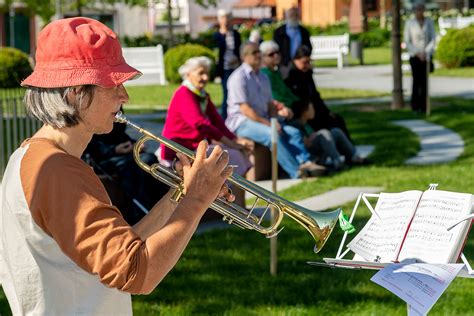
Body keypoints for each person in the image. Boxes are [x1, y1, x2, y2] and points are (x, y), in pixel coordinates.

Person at [0, 17, 234, 315]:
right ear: (75, 91)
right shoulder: (56, 170)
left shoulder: (35, 158)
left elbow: (126, 245)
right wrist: (197, 199)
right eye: (114, 84)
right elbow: (138, 272)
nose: (125, 96)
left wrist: (181, 194)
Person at [161, 56, 252, 207]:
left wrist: (236, 140)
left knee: (236, 153)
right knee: (230, 155)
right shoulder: (184, 93)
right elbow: (201, 124)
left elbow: (217, 121)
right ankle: (231, 204)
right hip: (180, 150)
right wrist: (231, 143)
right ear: (188, 74)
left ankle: (235, 204)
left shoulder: (202, 95)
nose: (205, 77)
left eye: (206, 73)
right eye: (200, 73)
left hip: (195, 146)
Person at [225, 42, 326, 179]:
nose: (258, 55)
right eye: (254, 53)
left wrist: (274, 120)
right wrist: (269, 124)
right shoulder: (238, 78)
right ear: (244, 57)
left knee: (293, 132)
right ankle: (296, 172)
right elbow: (245, 110)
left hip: (261, 119)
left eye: (258, 52)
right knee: (272, 134)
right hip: (242, 122)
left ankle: (306, 162)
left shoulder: (263, 77)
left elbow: (270, 105)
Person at [84, 110, 169, 225]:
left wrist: (134, 144)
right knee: (130, 165)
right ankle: (139, 213)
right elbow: (91, 147)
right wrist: (114, 149)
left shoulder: (115, 110)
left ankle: (161, 206)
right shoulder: (90, 115)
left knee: (149, 159)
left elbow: (120, 134)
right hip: (102, 158)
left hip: (120, 152)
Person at [284, 45, 353, 143]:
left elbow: (315, 94)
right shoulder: (290, 75)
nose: (307, 65)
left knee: (337, 120)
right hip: (303, 111)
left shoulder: (306, 72)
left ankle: (349, 151)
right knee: (327, 125)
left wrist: (327, 111)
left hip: (314, 108)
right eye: (305, 62)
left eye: (309, 62)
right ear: (296, 60)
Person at [288, 100, 364, 170]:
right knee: (324, 133)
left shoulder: (307, 123)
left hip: (320, 148)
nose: (313, 111)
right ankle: (337, 161)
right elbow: (304, 143)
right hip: (312, 156)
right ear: (304, 112)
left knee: (335, 131)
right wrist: (311, 137)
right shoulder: (296, 125)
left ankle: (354, 157)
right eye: (311, 109)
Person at [404, 2, 436, 113]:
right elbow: (407, 41)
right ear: (414, 11)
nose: (419, 12)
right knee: (416, 81)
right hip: (415, 56)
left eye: (421, 9)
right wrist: (417, 53)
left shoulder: (429, 22)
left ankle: (424, 106)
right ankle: (415, 106)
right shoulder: (410, 23)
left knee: (425, 82)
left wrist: (426, 52)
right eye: (417, 9)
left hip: (426, 56)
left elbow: (432, 38)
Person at [214, 9, 242, 120]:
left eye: (227, 18)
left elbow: (239, 50)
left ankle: (237, 117)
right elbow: (217, 53)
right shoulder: (217, 36)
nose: (225, 21)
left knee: (238, 93)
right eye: (222, 18)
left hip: (236, 67)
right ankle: (224, 119)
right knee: (227, 94)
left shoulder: (235, 34)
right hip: (225, 69)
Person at [260, 40, 299, 109]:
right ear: (263, 57)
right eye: (271, 54)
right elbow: (275, 96)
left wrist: (298, 102)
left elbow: (286, 91)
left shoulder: (276, 72)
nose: (276, 56)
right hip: (279, 107)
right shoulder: (264, 74)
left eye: (277, 52)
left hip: (288, 104)